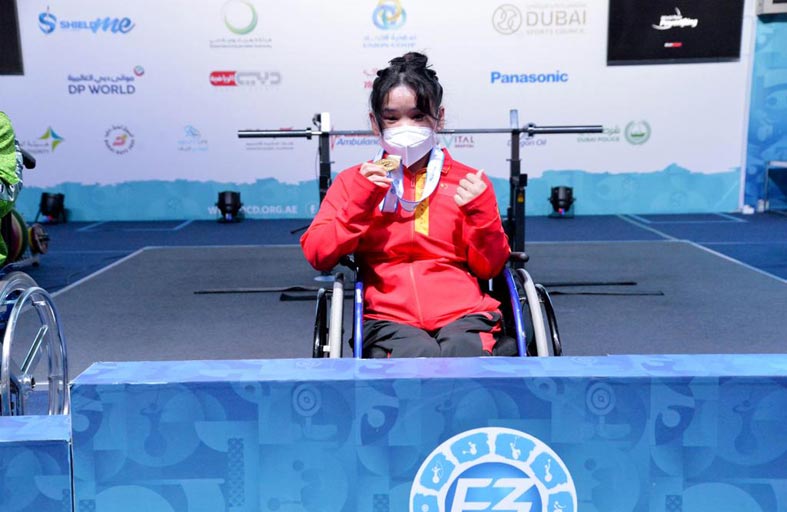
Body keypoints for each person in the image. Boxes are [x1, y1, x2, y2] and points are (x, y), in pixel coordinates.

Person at [300, 52, 511, 358]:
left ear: (439, 117)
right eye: (392, 118)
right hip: (387, 318)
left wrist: (482, 216)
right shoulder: (354, 182)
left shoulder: (469, 183)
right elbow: (318, 254)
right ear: (375, 123)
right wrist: (361, 201)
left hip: (465, 314)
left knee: (463, 357)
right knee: (417, 357)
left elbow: (489, 268)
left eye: (417, 116)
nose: (405, 126)